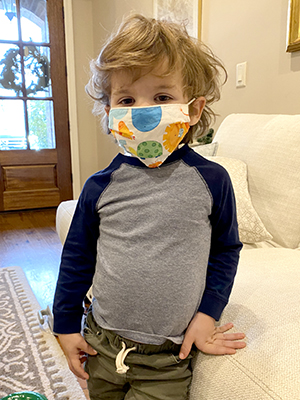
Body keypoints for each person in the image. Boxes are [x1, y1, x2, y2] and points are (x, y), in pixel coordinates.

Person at [53, 14, 246, 400]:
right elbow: (76, 257)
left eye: (162, 97)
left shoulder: (212, 181)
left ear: (192, 110)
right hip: (102, 345)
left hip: (167, 359)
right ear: (110, 116)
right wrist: (65, 324)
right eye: (127, 99)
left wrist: (207, 315)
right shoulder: (99, 187)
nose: (143, 111)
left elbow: (226, 250)